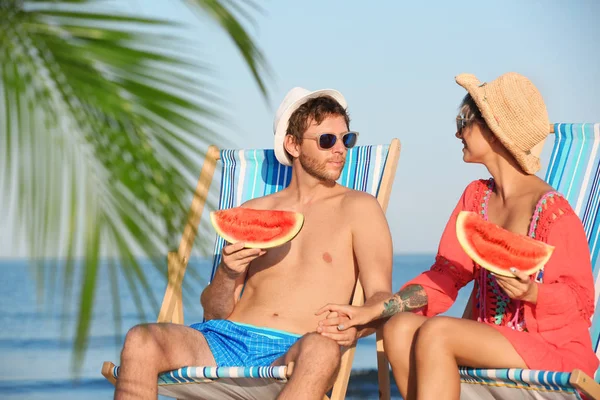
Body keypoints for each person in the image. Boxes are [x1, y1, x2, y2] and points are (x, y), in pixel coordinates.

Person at [316, 72, 598, 399]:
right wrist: (376, 311)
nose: (457, 132)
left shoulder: (553, 212)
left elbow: (580, 304)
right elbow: (445, 276)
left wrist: (533, 293)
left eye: (463, 120)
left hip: (552, 350)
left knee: (439, 333)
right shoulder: (475, 198)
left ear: (495, 129)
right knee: (399, 328)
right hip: (488, 341)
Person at [114, 87, 393, 400]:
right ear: (293, 144)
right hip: (225, 340)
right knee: (141, 338)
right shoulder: (255, 210)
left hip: (296, 348)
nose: (340, 149)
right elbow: (215, 312)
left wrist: (353, 327)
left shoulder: (360, 208)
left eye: (347, 139)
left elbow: (381, 298)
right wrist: (228, 272)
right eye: (327, 140)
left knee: (322, 350)